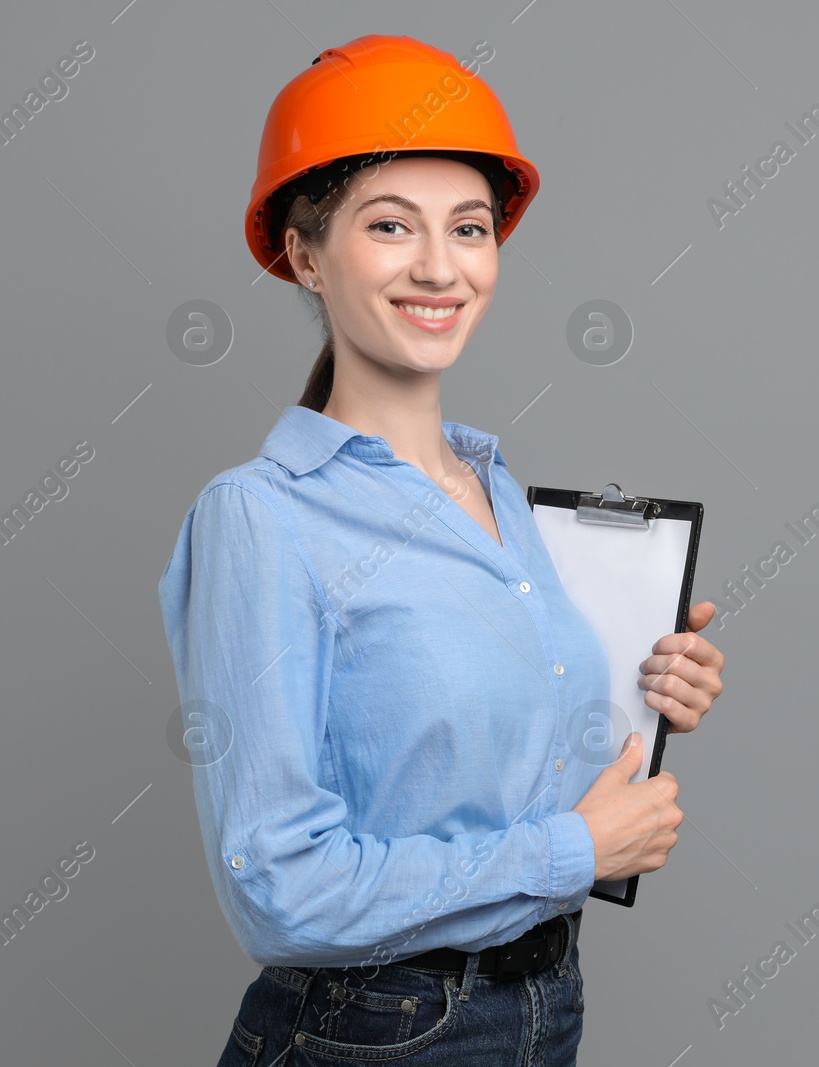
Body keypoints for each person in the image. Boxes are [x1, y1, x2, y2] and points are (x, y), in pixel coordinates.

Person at [156, 35, 725, 1066]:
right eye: (389, 226)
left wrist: (642, 691)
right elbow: (279, 891)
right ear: (304, 253)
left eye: (469, 228)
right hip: (374, 1033)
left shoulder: (499, 492)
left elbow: (482, 782)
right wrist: (574, 849)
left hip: (543, 1001)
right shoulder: (260, 517)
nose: (439, 266)